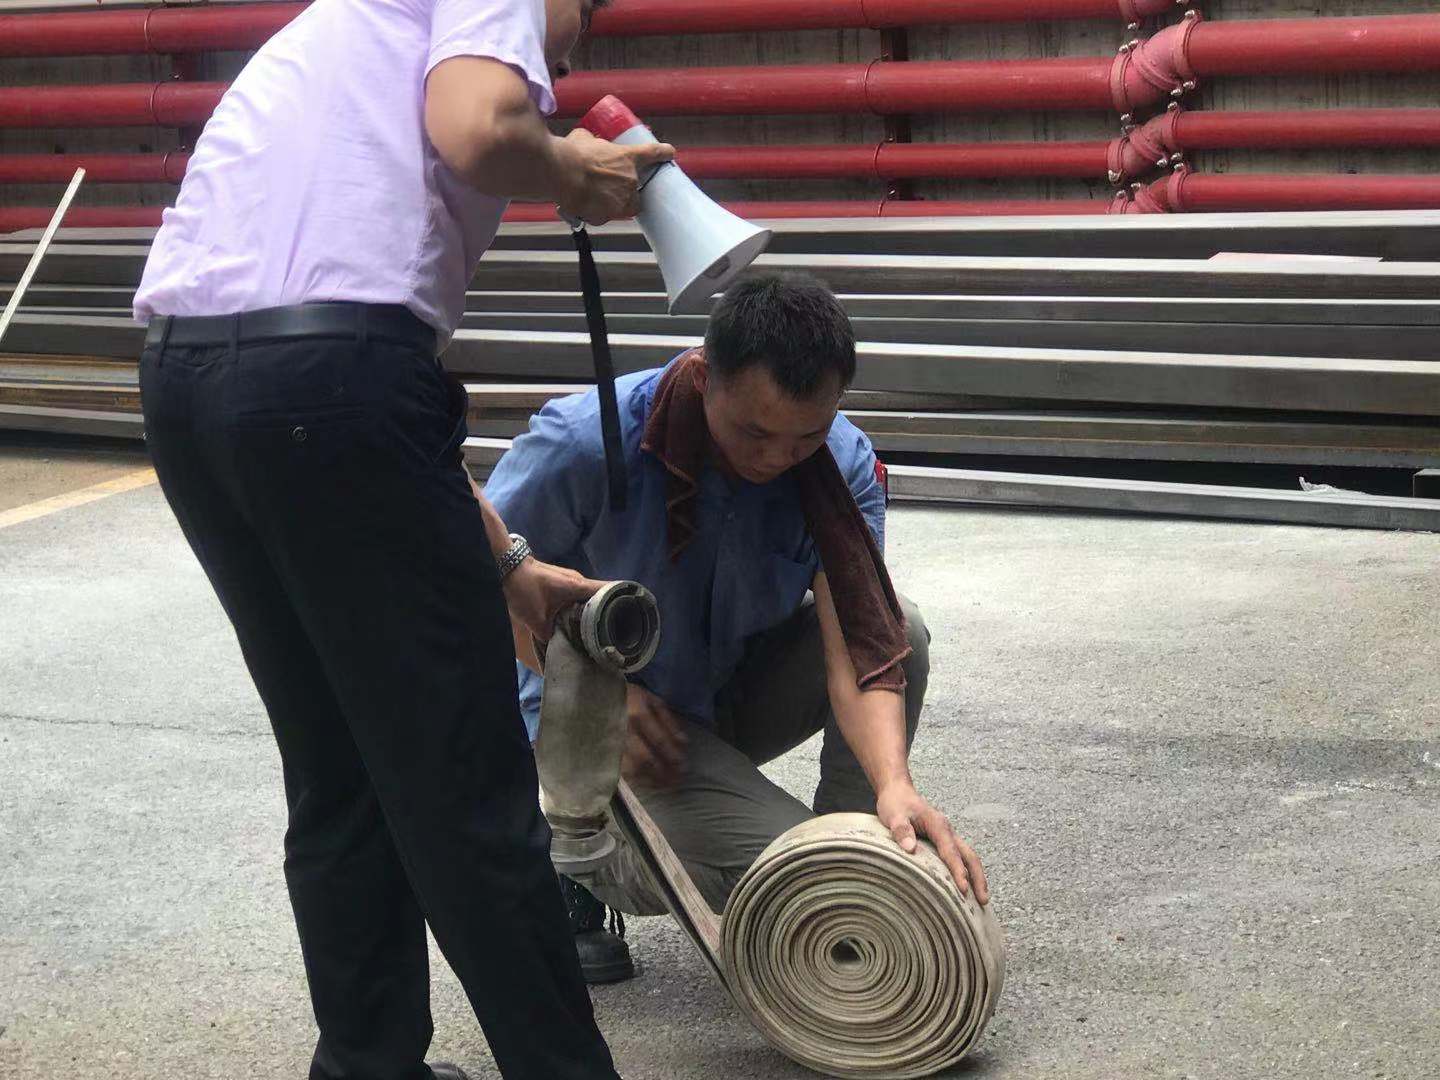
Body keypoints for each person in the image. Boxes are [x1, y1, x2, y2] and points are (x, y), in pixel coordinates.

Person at [131, 1, 674, 1077]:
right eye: (575, 28)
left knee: (337, 768)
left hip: (188, 386)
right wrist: (571, 170)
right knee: (467, 791)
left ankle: (368, 1067)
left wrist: (508, 565)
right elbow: (477, 129)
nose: (559, 61)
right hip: (328, 387)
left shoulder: (337, 33)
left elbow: (329, 373)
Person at [485, 273, 990, 985]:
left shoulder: (840, 462)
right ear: (704, 377)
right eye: (754, 431)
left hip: (714, 698)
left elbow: (862, 642)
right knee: (790, 876)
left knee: (900, 627)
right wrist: (599, 696)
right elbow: (480, 593)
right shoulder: (584, 443)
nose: (777, 457)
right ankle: (566, 850)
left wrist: (894, 783)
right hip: (595, 727)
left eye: (805, 435)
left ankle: (859, 857)